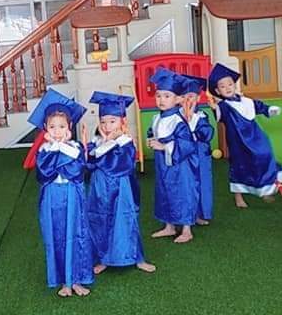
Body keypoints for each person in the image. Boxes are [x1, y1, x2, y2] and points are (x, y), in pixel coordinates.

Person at [30, 88, 95, 297]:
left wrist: (61, 148)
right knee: (56, 235)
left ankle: (76, 279)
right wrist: (56, 149)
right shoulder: (44, 150)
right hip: (52, 197)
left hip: (72, 194)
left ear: (69, 127)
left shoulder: (75, 147)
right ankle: (63, 281)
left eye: (61, 126)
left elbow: (77, 171)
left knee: (76, 234)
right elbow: (44, 173)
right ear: (45, 128)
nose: (57, 131)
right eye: (52, 127)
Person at [86, 91, 156, 275]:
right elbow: (89, 163)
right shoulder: (96, 142)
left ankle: (137, 257)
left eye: (112, 121)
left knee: (126, 219)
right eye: (103, 122)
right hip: (99, 188)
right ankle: (103, 258)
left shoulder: (126, 143)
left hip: (122, 188)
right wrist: (103, 145)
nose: (107, 126)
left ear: (122, 122)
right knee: (100, 220)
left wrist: (105, 148)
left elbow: (118, 165)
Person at [207, 63, 282, 208]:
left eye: (230, 84)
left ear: (235, 85)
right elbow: (220, 116)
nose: (227, 88)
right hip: (238, 142)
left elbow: (259, 106)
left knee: (265, 155)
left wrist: (269, 110)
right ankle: (238, 196)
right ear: (218, 91)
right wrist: (214, 108)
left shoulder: (246, 101)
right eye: (222, 86)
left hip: (256, 137)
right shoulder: (224, 106)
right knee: (240, 166)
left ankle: (266, 188)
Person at [148, 70, 200, 244]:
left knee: (182, 192)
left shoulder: (178, 120)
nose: (161, 100)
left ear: (178, 99)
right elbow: (152, 132)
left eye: (167, 96)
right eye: (158, 95)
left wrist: (164, 146)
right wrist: (151, 139)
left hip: (180, 165)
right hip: (163, 164)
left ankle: (186, 230)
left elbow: (187, 144)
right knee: (164, 191)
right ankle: (169, 226)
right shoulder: (156, 118)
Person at [178, 76, 215, 226]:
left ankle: (200, 213)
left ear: (198, 98)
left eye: (192, 96)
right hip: (183, 156)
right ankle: (185, 214)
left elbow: (207, 134)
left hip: (200, 154)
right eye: (184, 96)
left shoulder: (201, 116)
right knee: (185, 185)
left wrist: (192, 119)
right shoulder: (175, 115)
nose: (188, 100)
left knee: (202, 183)